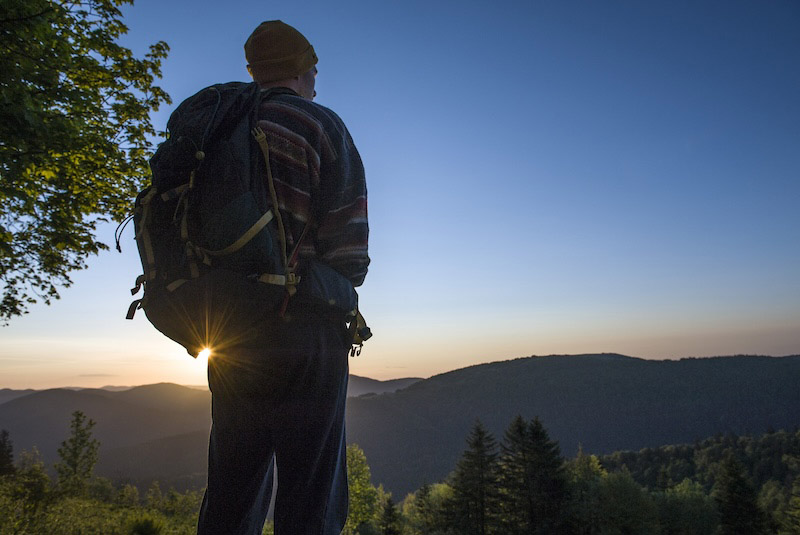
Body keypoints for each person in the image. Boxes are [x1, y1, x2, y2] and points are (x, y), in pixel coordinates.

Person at [197, 20, 369, 535]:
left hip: (231, 331)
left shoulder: (221, 127)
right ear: (301, 68)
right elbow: (350, 251)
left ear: (253, 70)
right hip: (306, 329)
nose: (317, 74)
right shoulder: (319, 124)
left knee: (232, 487)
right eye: (313, 64)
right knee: (310, 496)